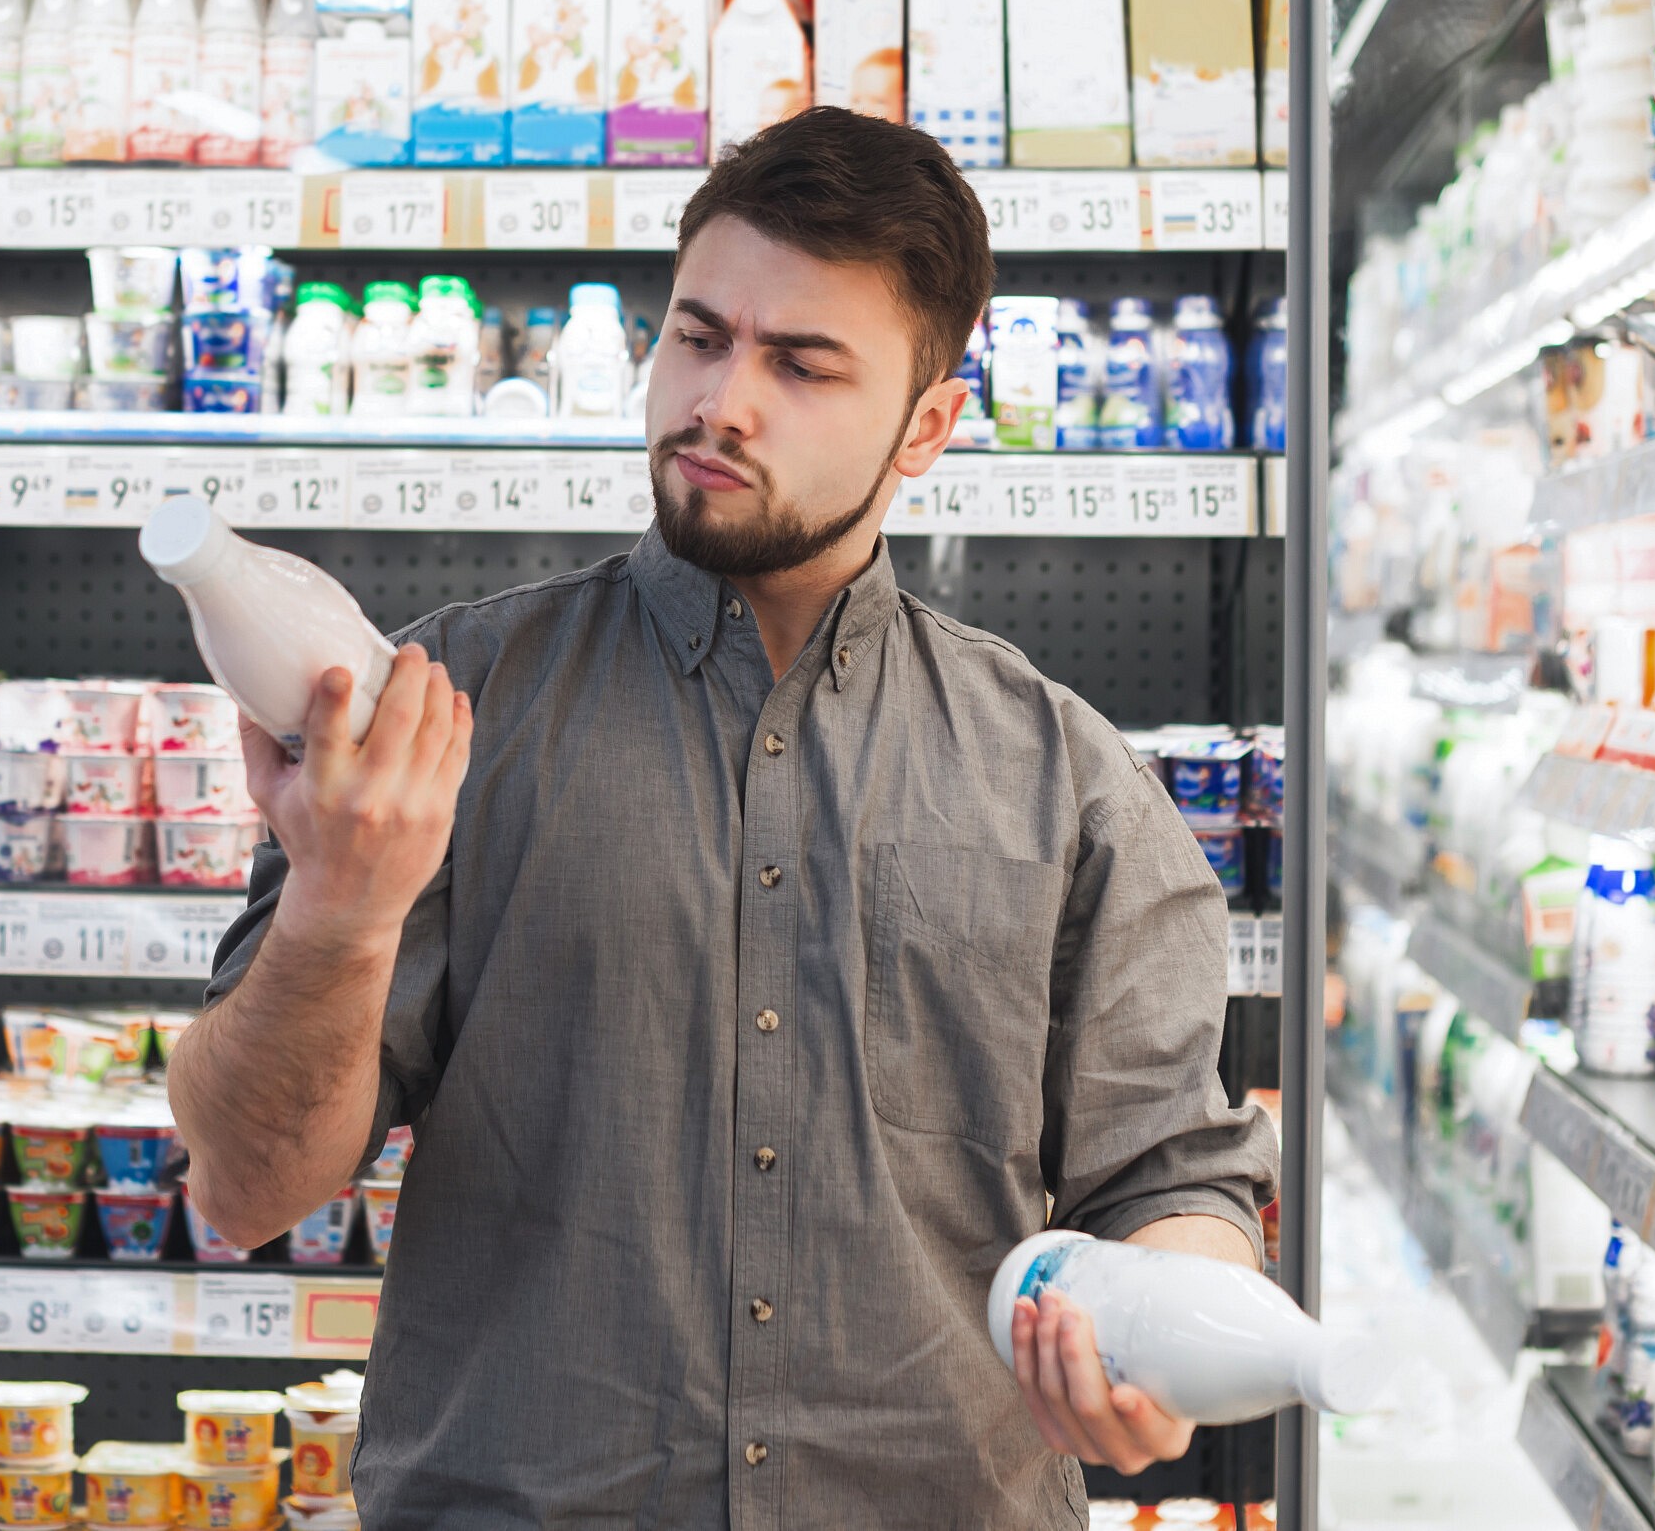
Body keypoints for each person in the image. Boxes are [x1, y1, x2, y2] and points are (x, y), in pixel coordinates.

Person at [169, 106, 1279, 1528]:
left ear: (930, 423)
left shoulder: (1064, 779)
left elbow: (1174, 1176)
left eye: (802, 362)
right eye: (699, 336)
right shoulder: (445, 708)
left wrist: (1162, 1328)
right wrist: (337, 904)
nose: (722, 401)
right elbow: (244, 1186)